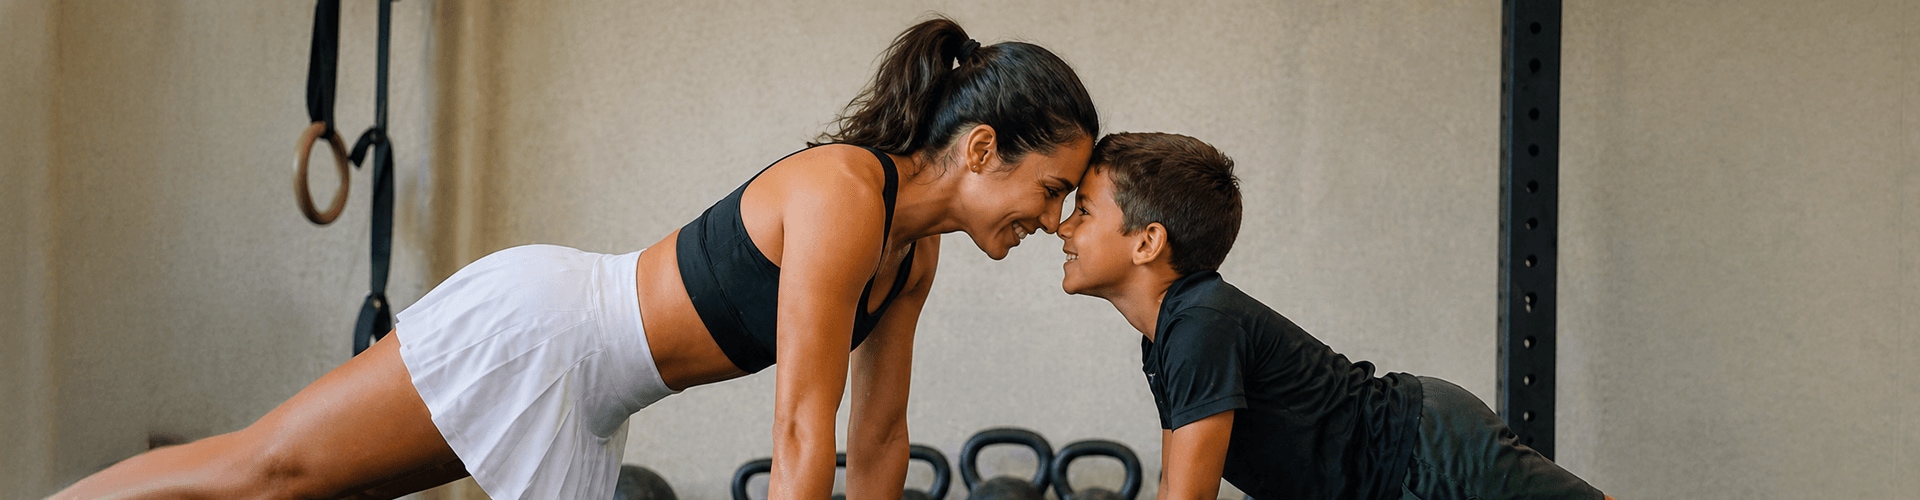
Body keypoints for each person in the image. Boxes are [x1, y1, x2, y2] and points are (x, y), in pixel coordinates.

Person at [56, 16, 1098, 500]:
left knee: (309, 482)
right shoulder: (842, 194)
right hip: (542, 332)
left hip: (592, 392)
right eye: (1052, 188)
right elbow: (799, 429)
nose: (1055, 219)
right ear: (977, 149)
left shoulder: (911, 260)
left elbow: (874, 446)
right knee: (267, 467)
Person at [1055, 132, 1610, 500]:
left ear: (1148, 242)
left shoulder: (1201, 323)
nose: (1063, 228)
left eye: (1082, 210)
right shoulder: (1168, 336)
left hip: (1425, 447)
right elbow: (1175, 482)